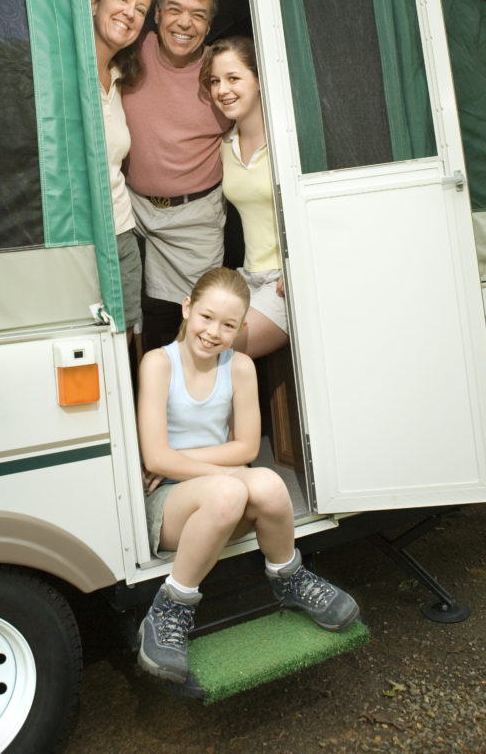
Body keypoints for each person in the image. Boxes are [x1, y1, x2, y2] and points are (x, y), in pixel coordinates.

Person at [136, 267, 359, 684]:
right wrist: (227, 471)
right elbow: (156, 458)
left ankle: (288, 576)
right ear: (187, 308)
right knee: (227, 490)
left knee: (270, 485)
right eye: (206, 317)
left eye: (228, 324)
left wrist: (190, 460)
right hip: (171, 505)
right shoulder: (158, 363)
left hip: (221, 498)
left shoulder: (238, 366)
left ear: (241, 327)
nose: (213, 332)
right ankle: (171, 606)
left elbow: (248, 449)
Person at [121, 0, 232, 310]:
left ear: (209, 27)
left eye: (197, 15)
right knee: (118, 301)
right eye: (174, 9)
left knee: (198, 318)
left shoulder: (222, 71)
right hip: (130, 204)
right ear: (155, 14)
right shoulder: (131, 48)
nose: (185, 23)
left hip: (194, 217)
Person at [200, 37, 288, 358]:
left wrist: (296, 266)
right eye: (214, 81)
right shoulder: (224, 145)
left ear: (260, 79)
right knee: (193, 341)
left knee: (216, 351)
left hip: (284, 283)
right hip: (247, 280)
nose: (223, 90)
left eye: (233, 78)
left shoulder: (287, 142)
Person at [91, 0, 156, 337]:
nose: (130, 13)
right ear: (93, 3)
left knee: (127, 340)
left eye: (142, 9)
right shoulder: (63, 71)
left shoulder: (118, 79)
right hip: (80, 239)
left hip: (122, 236)